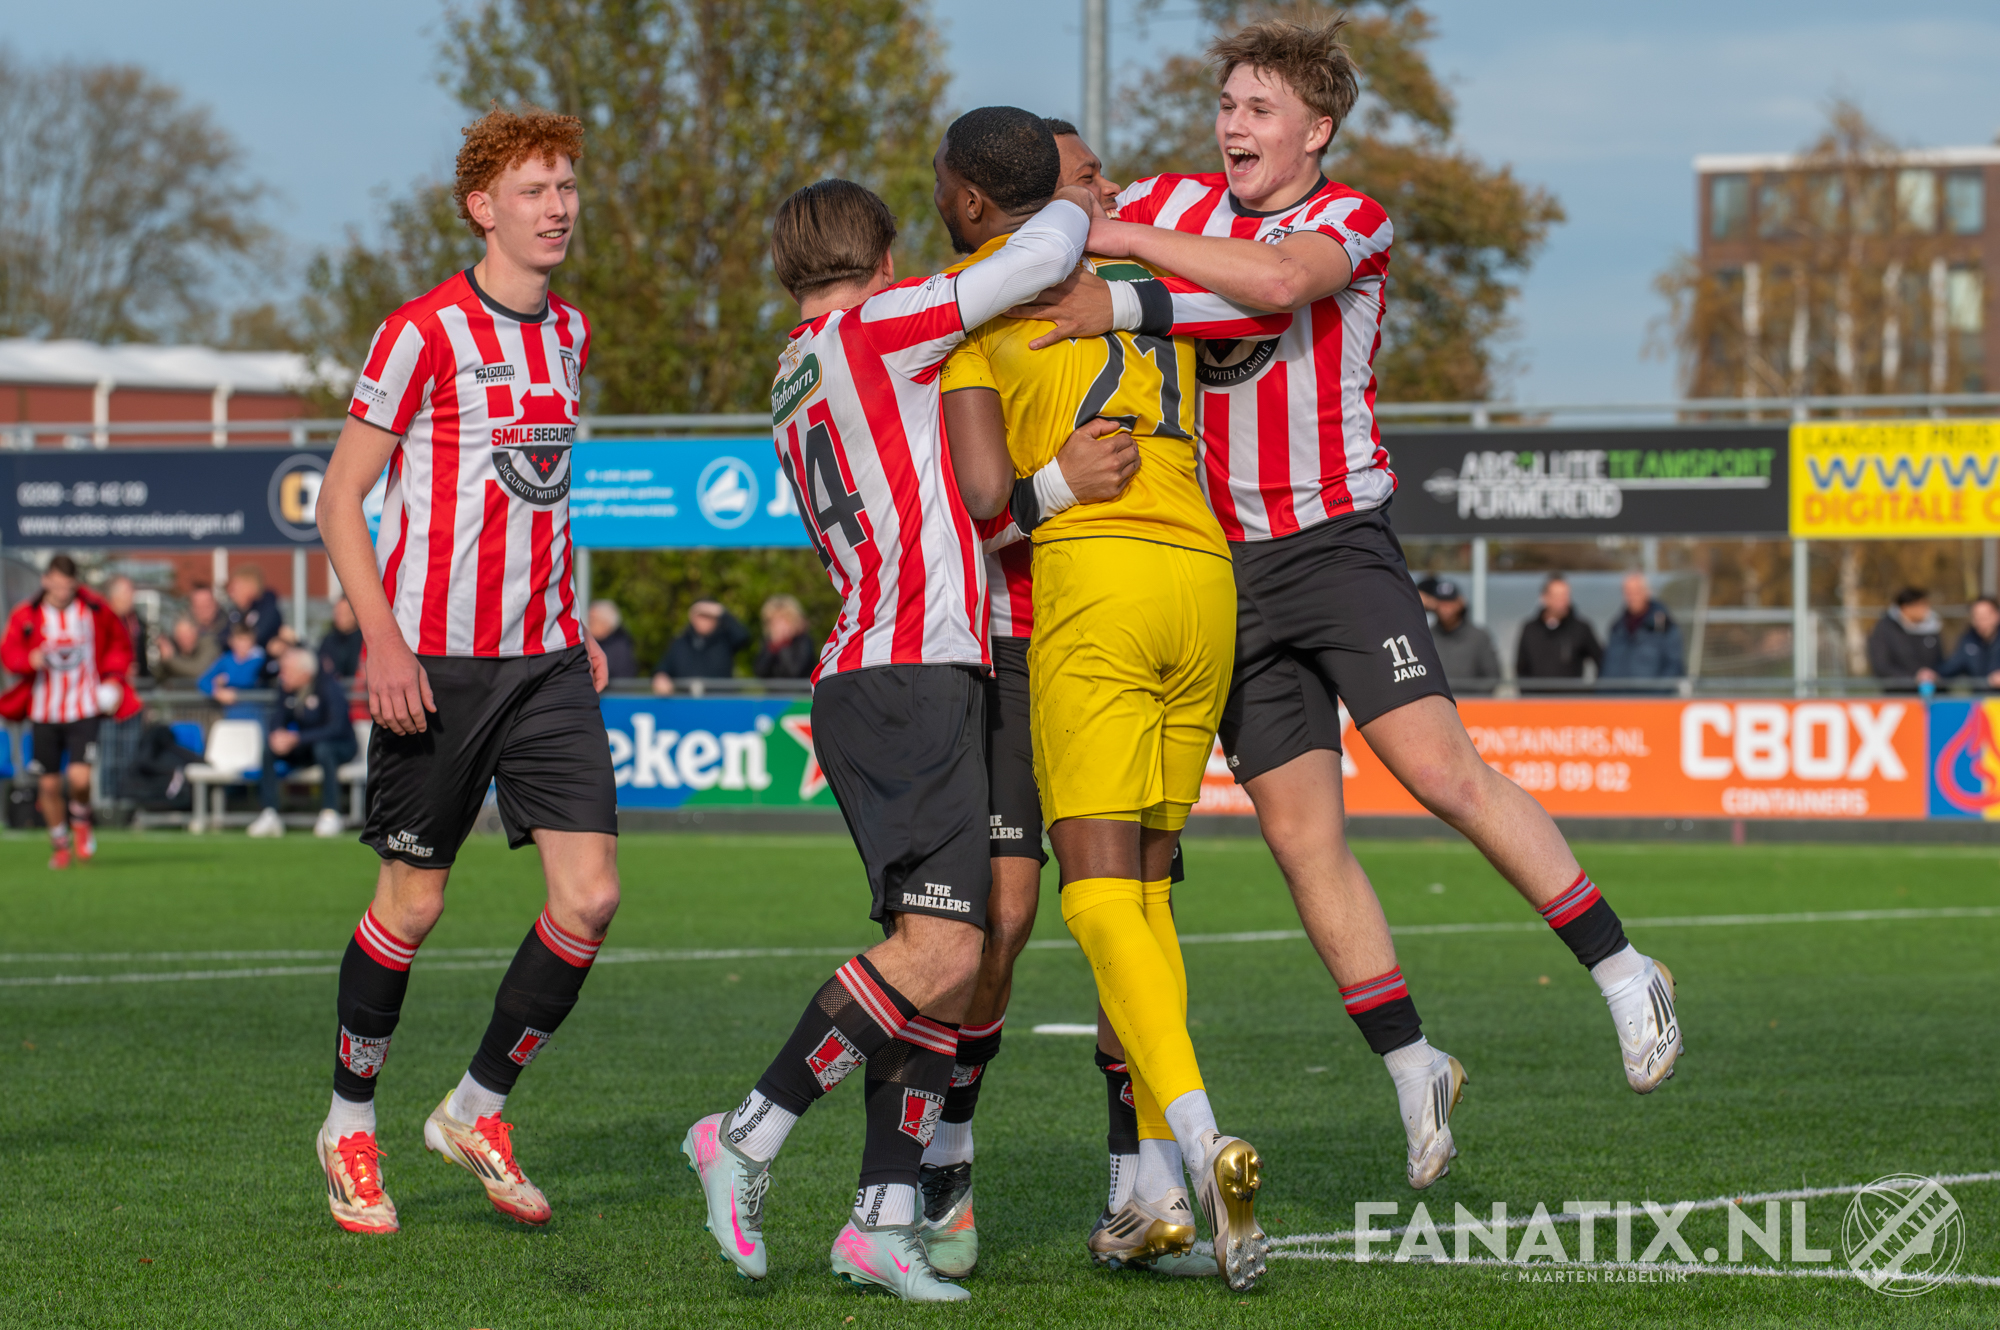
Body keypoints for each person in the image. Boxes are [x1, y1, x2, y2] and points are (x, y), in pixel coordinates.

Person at [1017, 14, 1684, 1157]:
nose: (1232, 124)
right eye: (1225, 104)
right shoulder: (1174, 206)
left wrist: (1123, 283)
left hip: (1333, 542)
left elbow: (1275, 284)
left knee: (1436, 771)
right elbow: (1065, 233)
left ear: (1315, 131)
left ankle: (1625, 970)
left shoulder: (1348, 220)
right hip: (1221, 566)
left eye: (1258, 109)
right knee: (1297, 836)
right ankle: (1412, 1060)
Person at [680, 149, 1097, 1303]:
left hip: (895, 669)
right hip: (905, 670)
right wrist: (1072, 196)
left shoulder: (791, 372)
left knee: (943, 966)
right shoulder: (877, 332)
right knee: (943, 953)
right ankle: (747, 1131)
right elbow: (1038, 259)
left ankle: (881, 1214)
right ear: (885, 261)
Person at [932, 113, 1290, 1290]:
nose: (1110, 184)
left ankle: (1181, 1145)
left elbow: (985, 498)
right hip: (1201, 588)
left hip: (1086, 603)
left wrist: (1049, 482)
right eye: (1091, 174)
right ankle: (1129, 1188)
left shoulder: (976, 297)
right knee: (1131, 902)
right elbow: (1266, 307)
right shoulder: (1158, 278)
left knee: (1078, 907)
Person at [310, 106, 618, 1239]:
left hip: (543, 662)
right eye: (536, 189)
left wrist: (574, 613)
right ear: (482, 207)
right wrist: (379, 638)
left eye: (568, 185)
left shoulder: (571, 335)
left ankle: (475, 1106)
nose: (559, 206)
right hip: (430, 662)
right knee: (415, 900)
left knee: (589, 897)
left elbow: (543, 495)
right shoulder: (420, 332)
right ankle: (349, 1121)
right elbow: (342, 496)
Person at [0, 554, 139, 868]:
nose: (62, 591)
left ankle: (81, 823)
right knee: (48, 784)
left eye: (68, 585)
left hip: (83, 708)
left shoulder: (94, 610)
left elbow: (119, 645)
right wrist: (27, 661)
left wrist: (114, 681)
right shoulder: (26, 615)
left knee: (79, 779)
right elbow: (9, 653)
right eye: (57, 584)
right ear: (46, 581)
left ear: (74, 584)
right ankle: (59, 844)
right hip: (43, 711)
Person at [248, 647, 358, 840]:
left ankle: (331, 813)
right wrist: (278, 736)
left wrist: (297, 738)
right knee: (270, 749)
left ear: (305, 673)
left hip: (340, 746)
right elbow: (277, 718)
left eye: (287, 671)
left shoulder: (328, 687)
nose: (282, 676)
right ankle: (270, 812)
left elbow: (336, 728)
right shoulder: (286, 689)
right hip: (306, 746)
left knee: (324, 749)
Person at [1516, 574, 1603, 684]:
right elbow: (1521, 669)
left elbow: (1601, 662)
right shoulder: (1530, 629)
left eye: (1565, 595)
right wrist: (1528, 696)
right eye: (1557, 596)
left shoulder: (1581, 629)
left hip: (1570, 699)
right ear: (1544, 598)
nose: (1562, 601)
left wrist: (1590, 693)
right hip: (1537, 699)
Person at [1601, 571, 1684, 685]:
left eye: (1636, 591)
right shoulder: (1617, 628)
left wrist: (1657, 697)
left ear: (1646, 592)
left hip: (1650, 700)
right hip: (1620, 700)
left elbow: (1673, 666)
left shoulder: (1662, 625)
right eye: (1628, 592)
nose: (1632, 597)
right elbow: (1608, 668)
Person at [651, 599, 748, 694]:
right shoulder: (680, 643)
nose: (705, 621)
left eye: (709, 616)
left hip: (719, 703)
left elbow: (744, 637)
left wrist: (722, 612)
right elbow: (664, 668)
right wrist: (661, 677)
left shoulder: (725, 641)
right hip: (686, 703)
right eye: (701, 616)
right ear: (692, 617)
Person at [1422, 577, 1500, 694]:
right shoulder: (1427, 636)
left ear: (1460, 603)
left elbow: (1492, 676)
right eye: (1441, 602)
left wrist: (1473, 699)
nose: (1445, 608)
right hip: (1438, 706)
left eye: (1450, 602)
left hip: (1472, 706)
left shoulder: (1478, 637)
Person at [1868, 586, 1944, 690]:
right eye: (1920, 605)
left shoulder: (1933, 627)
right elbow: (1882, 666)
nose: (1926, 610)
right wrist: (1913, 678)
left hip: (1932, 691)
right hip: (1899, 694)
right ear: (1906, 607)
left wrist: (1934, 675)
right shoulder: (1885, 629)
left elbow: (1940, 660)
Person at [198, 622, 270, 719]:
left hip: (254, 713)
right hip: (231, 714)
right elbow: (203, 681)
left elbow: (247, 679)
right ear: (231, 641)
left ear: (253, 642)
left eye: (246, 640)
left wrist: (226, 679)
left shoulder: (258, 659)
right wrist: (217, 692)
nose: (242, 644)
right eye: (239, 640)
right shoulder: (226, 659)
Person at [1941, 595, 2000, 689]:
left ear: (1997, 616)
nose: (1981, 622)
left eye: (1985, 617)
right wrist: (1934, 673)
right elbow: (1952, 666)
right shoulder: (1968, 640)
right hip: (1979, 699)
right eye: (1976, 617)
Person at [752, 595, 816, 680]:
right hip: (774, 692)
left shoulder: (803, 641)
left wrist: (784, 643)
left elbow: (795, 672)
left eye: (783, 619)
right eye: (774, 621)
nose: (779, 626)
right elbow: (760, 672)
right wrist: (772, 648)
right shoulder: (769, 644)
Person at [223, 566, 285, 651]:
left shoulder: (268, 611)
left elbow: (258, 637)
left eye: (235, 588)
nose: (231, 594)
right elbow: (223, 636)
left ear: (250, 587)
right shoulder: (236, 612)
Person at [156, 614, 222, 684]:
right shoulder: (173, 646)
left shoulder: (209, 644)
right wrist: (162, 658)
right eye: (180, 636)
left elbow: (198, 671)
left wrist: (171, 659)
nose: (183, 640)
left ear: (195, 633)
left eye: (186, 635)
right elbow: (158, 677)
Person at [105, 575, 149, 680]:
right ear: (115, 596)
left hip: (135, 681)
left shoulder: (135, 622)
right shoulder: (103, 622)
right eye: (127, 592)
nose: (132, 596)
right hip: (111, 681)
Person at [586, 600, 638, 679]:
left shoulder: (619, 648)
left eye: (592, 621)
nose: (588, 625)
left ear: (605, 624)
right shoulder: (593, 643)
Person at [319, 596, 365, 679]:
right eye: (337, 613)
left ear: (354, 615)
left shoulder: (364, 641)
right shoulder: (328, 641)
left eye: (343, 614)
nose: (338, 617)